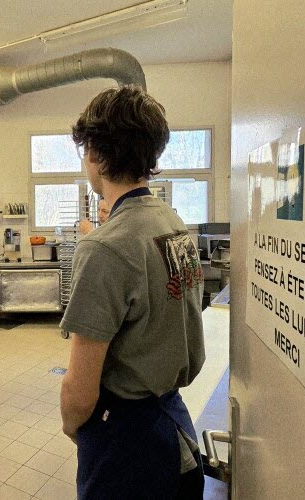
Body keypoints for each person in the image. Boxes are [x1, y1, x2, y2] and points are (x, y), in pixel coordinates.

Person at [59, 86, 207, 499]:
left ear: (94, 153)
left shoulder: (104, 246)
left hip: (127, 442)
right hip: (173, 423)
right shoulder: (170, 222)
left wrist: (76, 427)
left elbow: (80, 390)